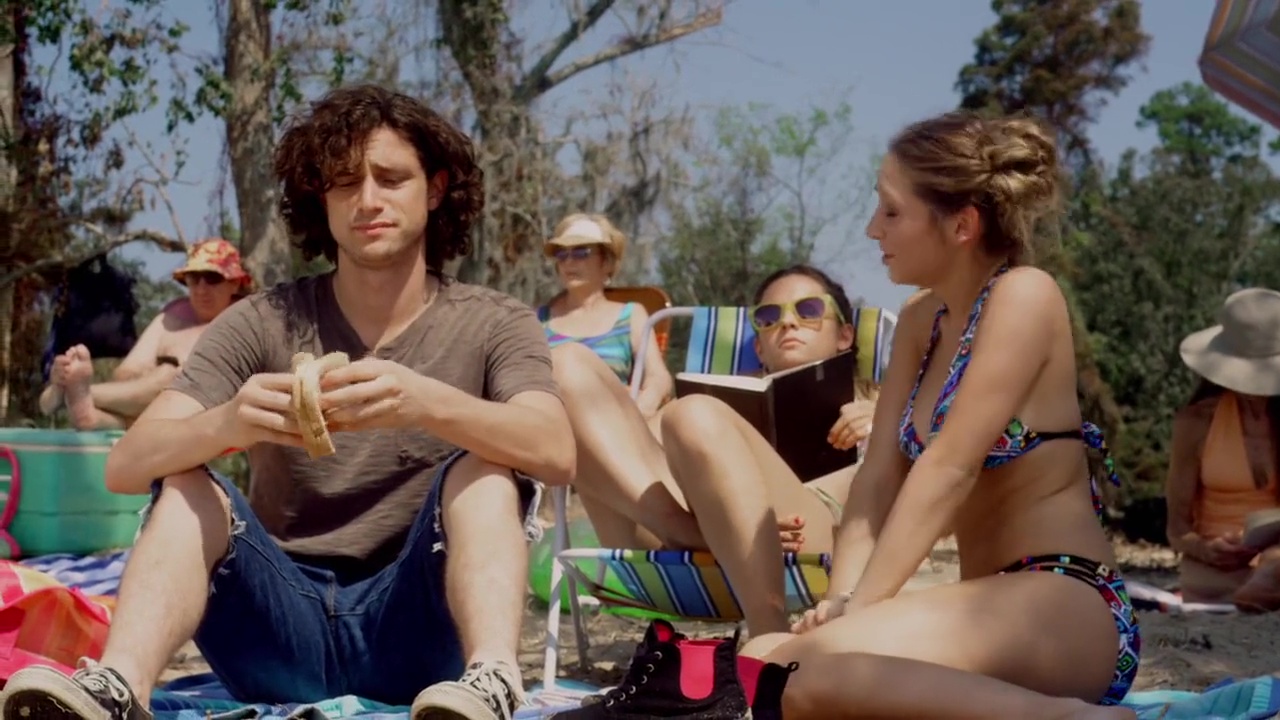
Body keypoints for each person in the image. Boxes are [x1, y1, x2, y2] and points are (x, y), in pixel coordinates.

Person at [1, 84, 574, 720]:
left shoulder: (495, 322)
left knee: (486, 471)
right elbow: (126, 466)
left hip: (420, 631)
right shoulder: (262, 320)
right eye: (345, 183)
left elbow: (555, 451)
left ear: (435, 190)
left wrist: (427, 403)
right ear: (319, 199)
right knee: (187, 482)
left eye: (391, 179)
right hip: (276, 631)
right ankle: (118, 689)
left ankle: (492, 679)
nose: (368, 200)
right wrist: (229, 422)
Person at [579, 112, 1142, 720]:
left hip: (1066, 600)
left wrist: (863, 609)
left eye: (892, 212)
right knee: (766, 656)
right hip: (983, 603)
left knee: (784, 668)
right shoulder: (922, 322)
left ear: (962, 224)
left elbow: (949, 467)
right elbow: (877, 482)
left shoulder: (1024, 294)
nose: (874, 229)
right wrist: (842, 598)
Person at [552, 264, 877, 637]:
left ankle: (765, 626)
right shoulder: (716, 397)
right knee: (565, 364)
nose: (788, 323)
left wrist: (881, 420)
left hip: (805, 540)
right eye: (769, 317)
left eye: (808, 310)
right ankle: (681, 528)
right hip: (669, 530)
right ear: (758, 346)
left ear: (845, 335)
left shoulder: (882, 399)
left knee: (694, 413)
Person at [38, 239, 250, 430]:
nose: (201, 289)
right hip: (143, 423)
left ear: (234, 283)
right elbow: (126, 371)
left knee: (170, 377)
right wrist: (145, 378)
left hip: (205, 422)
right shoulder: (171, 319)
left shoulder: (245, 322)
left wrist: (166, 376)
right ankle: (79, 403)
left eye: (213, 278)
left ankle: (73, 394)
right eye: (194, 278)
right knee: (92, 416)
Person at [1166, 288, 1280, 611]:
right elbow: (1176, 530)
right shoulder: (1196, 422)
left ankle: (1272, 571)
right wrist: (1206, 549)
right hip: (1216, 574)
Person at [537, 213, 673, 418]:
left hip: (614, 421)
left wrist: (644, 405)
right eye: (562, 254)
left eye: (581, 252)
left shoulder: (631, 315)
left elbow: (657, 376)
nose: (569, 262)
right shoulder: (538, 320)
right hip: (555, 422)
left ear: (607, 262)